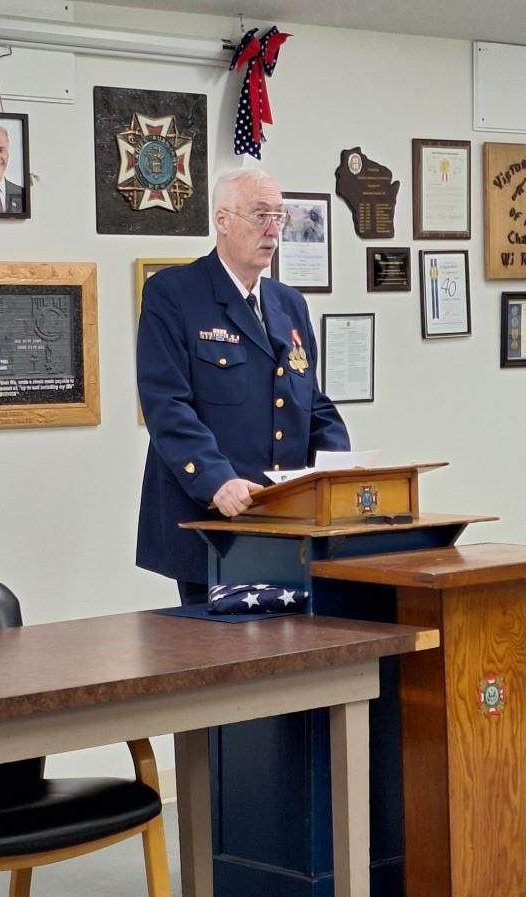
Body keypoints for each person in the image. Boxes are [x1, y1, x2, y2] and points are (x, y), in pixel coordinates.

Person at [136, 169, 350, 604]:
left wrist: (340, 468)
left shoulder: (288, 302)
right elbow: (166, 403)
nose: (273, 228)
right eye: (260, 215)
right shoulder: (174, 294)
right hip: (214, 520)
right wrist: (216, 480)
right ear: (222, 220)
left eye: (278, 216)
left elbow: (311, 400)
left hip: (286, 521)